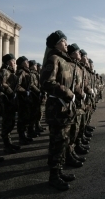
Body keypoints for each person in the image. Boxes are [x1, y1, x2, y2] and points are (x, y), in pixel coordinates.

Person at [40, 30, 76, 191]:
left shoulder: (64, 60)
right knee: (56, 144)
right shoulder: (54, 59)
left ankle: (59, 171)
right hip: (56, 109)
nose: (66, 43)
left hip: (65, 108)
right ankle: (53, 176)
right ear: (55, 44)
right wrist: (67, 92)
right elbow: (47, 82)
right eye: (63, 41)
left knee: (63, 142)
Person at [0, 53, 20, 154]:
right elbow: (2, 84)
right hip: (6, 101)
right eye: (13, 61)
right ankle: (6, 146)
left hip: (11, 101)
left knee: (11, 123)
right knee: (7, 124)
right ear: (8, 62)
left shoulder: (10, 71)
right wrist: (10, 92)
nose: (15, 63)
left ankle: (9, 143)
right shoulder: (4, 71)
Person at [15, 56, 37, 145]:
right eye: (25, 61)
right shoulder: (21, 72)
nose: (28, 63)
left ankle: (24, 135)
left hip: (27, 99)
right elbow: (17, 86)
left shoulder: (26, 72)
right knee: (22, 120)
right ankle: (21, 137)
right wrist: (25, 92)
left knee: (26, 118)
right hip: (22, 99)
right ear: (21, 63)